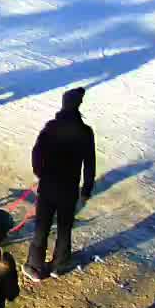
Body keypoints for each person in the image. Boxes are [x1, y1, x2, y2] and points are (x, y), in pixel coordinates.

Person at [26, 86, 95, 281]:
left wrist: (40, 173)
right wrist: (86, 190)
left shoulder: (51, 127)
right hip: (69, 189)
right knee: (65, 227)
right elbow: (90, 163)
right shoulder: (85, 132)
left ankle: (35, 265)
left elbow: (36, 153)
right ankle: (59, 264)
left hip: (48, 185)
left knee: (42, 225)